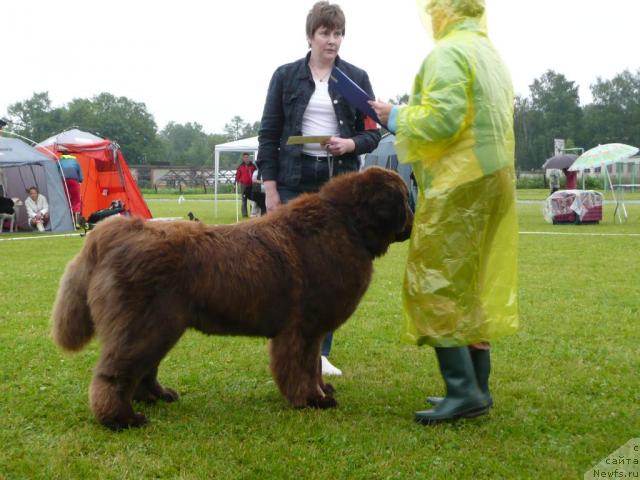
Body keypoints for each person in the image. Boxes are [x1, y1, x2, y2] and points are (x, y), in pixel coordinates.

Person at [370, 0, 518, 425]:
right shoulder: (489, 53)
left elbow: (441, 121)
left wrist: (393, 114)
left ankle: (463, 389)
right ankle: (478, 388)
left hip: (460, 180)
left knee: (435, 281)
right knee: (469, 285)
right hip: (494, 178)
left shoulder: (449, 53)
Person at [257, 0, 381, 376]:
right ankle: (289, 344)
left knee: (330, 269)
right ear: (310, 36)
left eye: (338, 33)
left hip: (337, 184)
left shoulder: (356, 78)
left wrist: (351, 144)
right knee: (286, 266)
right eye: (325, 33)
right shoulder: (285, 75)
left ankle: (319, 353)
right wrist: (270, 188)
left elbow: (372, 133)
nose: (332, 40)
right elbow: (269, 133)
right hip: (294, 179)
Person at [59, 154, 84, 226]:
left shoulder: (59, 161)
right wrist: (80, 180)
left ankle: (66, 222)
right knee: (76, 201)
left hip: (63, 181)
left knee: (65, 200)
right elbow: (81, 177)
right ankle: (77, 223)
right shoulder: (75, 162)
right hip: (74, 181)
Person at [235, 153, 257, 218]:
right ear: (243, 158)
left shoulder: (253, 166)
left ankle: (252, 213)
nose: (246, 158)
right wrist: (235, 183)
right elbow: (237, 175)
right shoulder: (240, 166)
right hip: (243, 185)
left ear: (249, 158)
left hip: (252, 185)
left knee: (252, 199)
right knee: (244, 199)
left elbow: (256, 174)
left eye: (247, 157)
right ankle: (244, 214)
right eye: (245, 157)